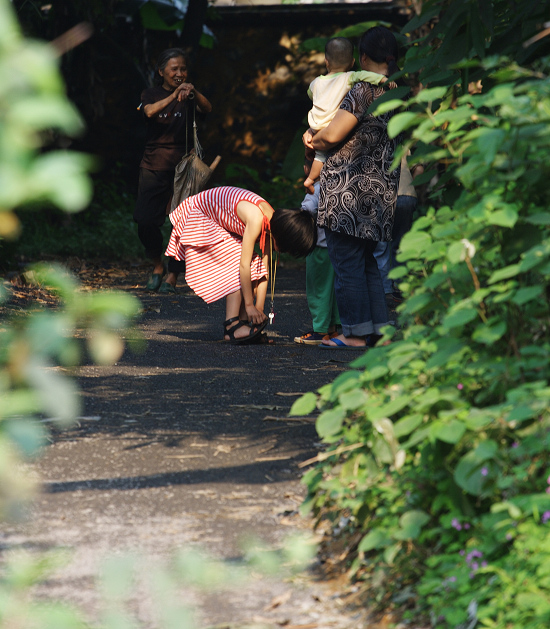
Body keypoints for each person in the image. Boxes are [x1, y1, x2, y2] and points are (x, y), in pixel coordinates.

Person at [303, 26, 402, 350]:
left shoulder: (363, 90)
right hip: (380, 188)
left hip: (349, 188)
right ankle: (378, 332)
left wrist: (314, 139)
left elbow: (332, 135)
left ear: (362, 57)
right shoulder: (397, 93)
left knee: (346, 262)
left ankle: (356, 334)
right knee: (368, 262)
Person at [165, 186, 316, 344]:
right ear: (285, 238)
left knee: (254, 264)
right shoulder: (257, 219)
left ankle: (244, 324)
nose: (285, 252)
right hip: (198, 213)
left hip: (215, 220)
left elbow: (264, 271)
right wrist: (250, 305)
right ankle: (232, 326)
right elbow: (243, 266)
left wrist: (258, 309)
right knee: (239, 259)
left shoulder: (273, 223)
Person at [134, 48, 212, 294]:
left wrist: (193, 91)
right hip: (153, 164)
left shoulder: (190, 96)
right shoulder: (151, 93)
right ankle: (157, 265)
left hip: (184, 168)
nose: (179, 73)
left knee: (182, 223)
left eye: (183, 69)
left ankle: (172, 275)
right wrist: (175, 94)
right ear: (161, 72)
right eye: (174, 69)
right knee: (145, 220)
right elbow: (148, 111)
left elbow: (207, 109)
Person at [304, 36, 396, 194]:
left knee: (315, 153)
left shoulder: (316, 82)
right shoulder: (351, 78)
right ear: (353, 62)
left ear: (326, 61)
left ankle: (309, 174)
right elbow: (366, 76)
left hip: (316, 125)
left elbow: (310, 94)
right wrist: (382, 79)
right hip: (329, 128)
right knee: (320, 156)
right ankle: (310, 180)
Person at [374, 152, 423, 309]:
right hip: (406, 195)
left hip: (380, 194)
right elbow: (419, 170)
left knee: (380, 245)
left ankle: (385, 291)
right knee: (400, 244)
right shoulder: (402, 142)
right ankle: (401, 290)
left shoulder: (371, 136)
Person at [293, 181, 340, 344]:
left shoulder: (317, 187)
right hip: (336, 245)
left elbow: (309, 209)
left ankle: (320, 330)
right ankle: (332, 329)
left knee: (317, 289)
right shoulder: (339, 182)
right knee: (331, 289)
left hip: (318, 245)